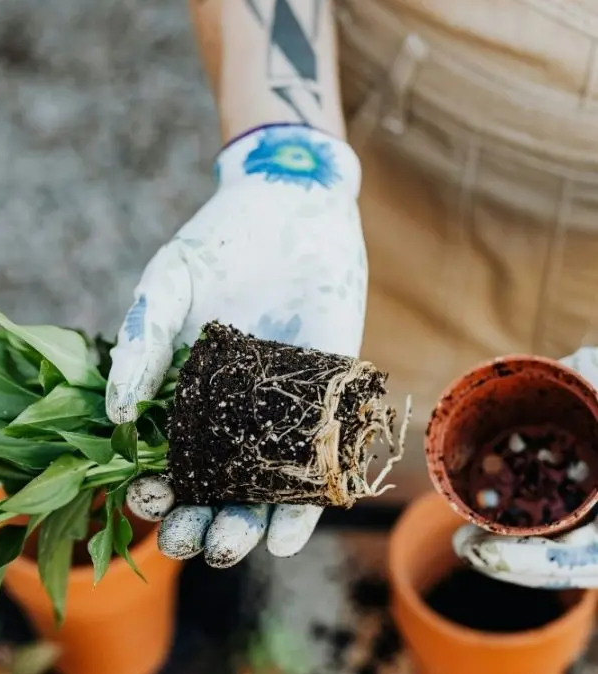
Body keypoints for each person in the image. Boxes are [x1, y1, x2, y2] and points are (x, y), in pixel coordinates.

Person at [105, 0, 598, 587]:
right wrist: (288, 160)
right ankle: (375, 573)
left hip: (583, 244)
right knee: (369, 414)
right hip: (387, 134)